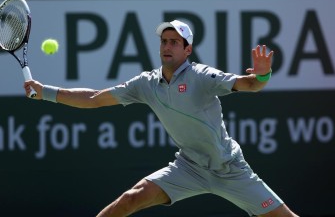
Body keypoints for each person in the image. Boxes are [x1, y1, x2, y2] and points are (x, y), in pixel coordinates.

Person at [24, 20, 298, 217]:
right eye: (164, 41)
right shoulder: (146, 83)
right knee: (129, 200)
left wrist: (262, 74)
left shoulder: (201, 76)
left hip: (230, 168)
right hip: (188, 167)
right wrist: (46, 92)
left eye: (174, 42)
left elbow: (250, 84)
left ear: (187, 50)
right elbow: (95, 98)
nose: (167, 46)